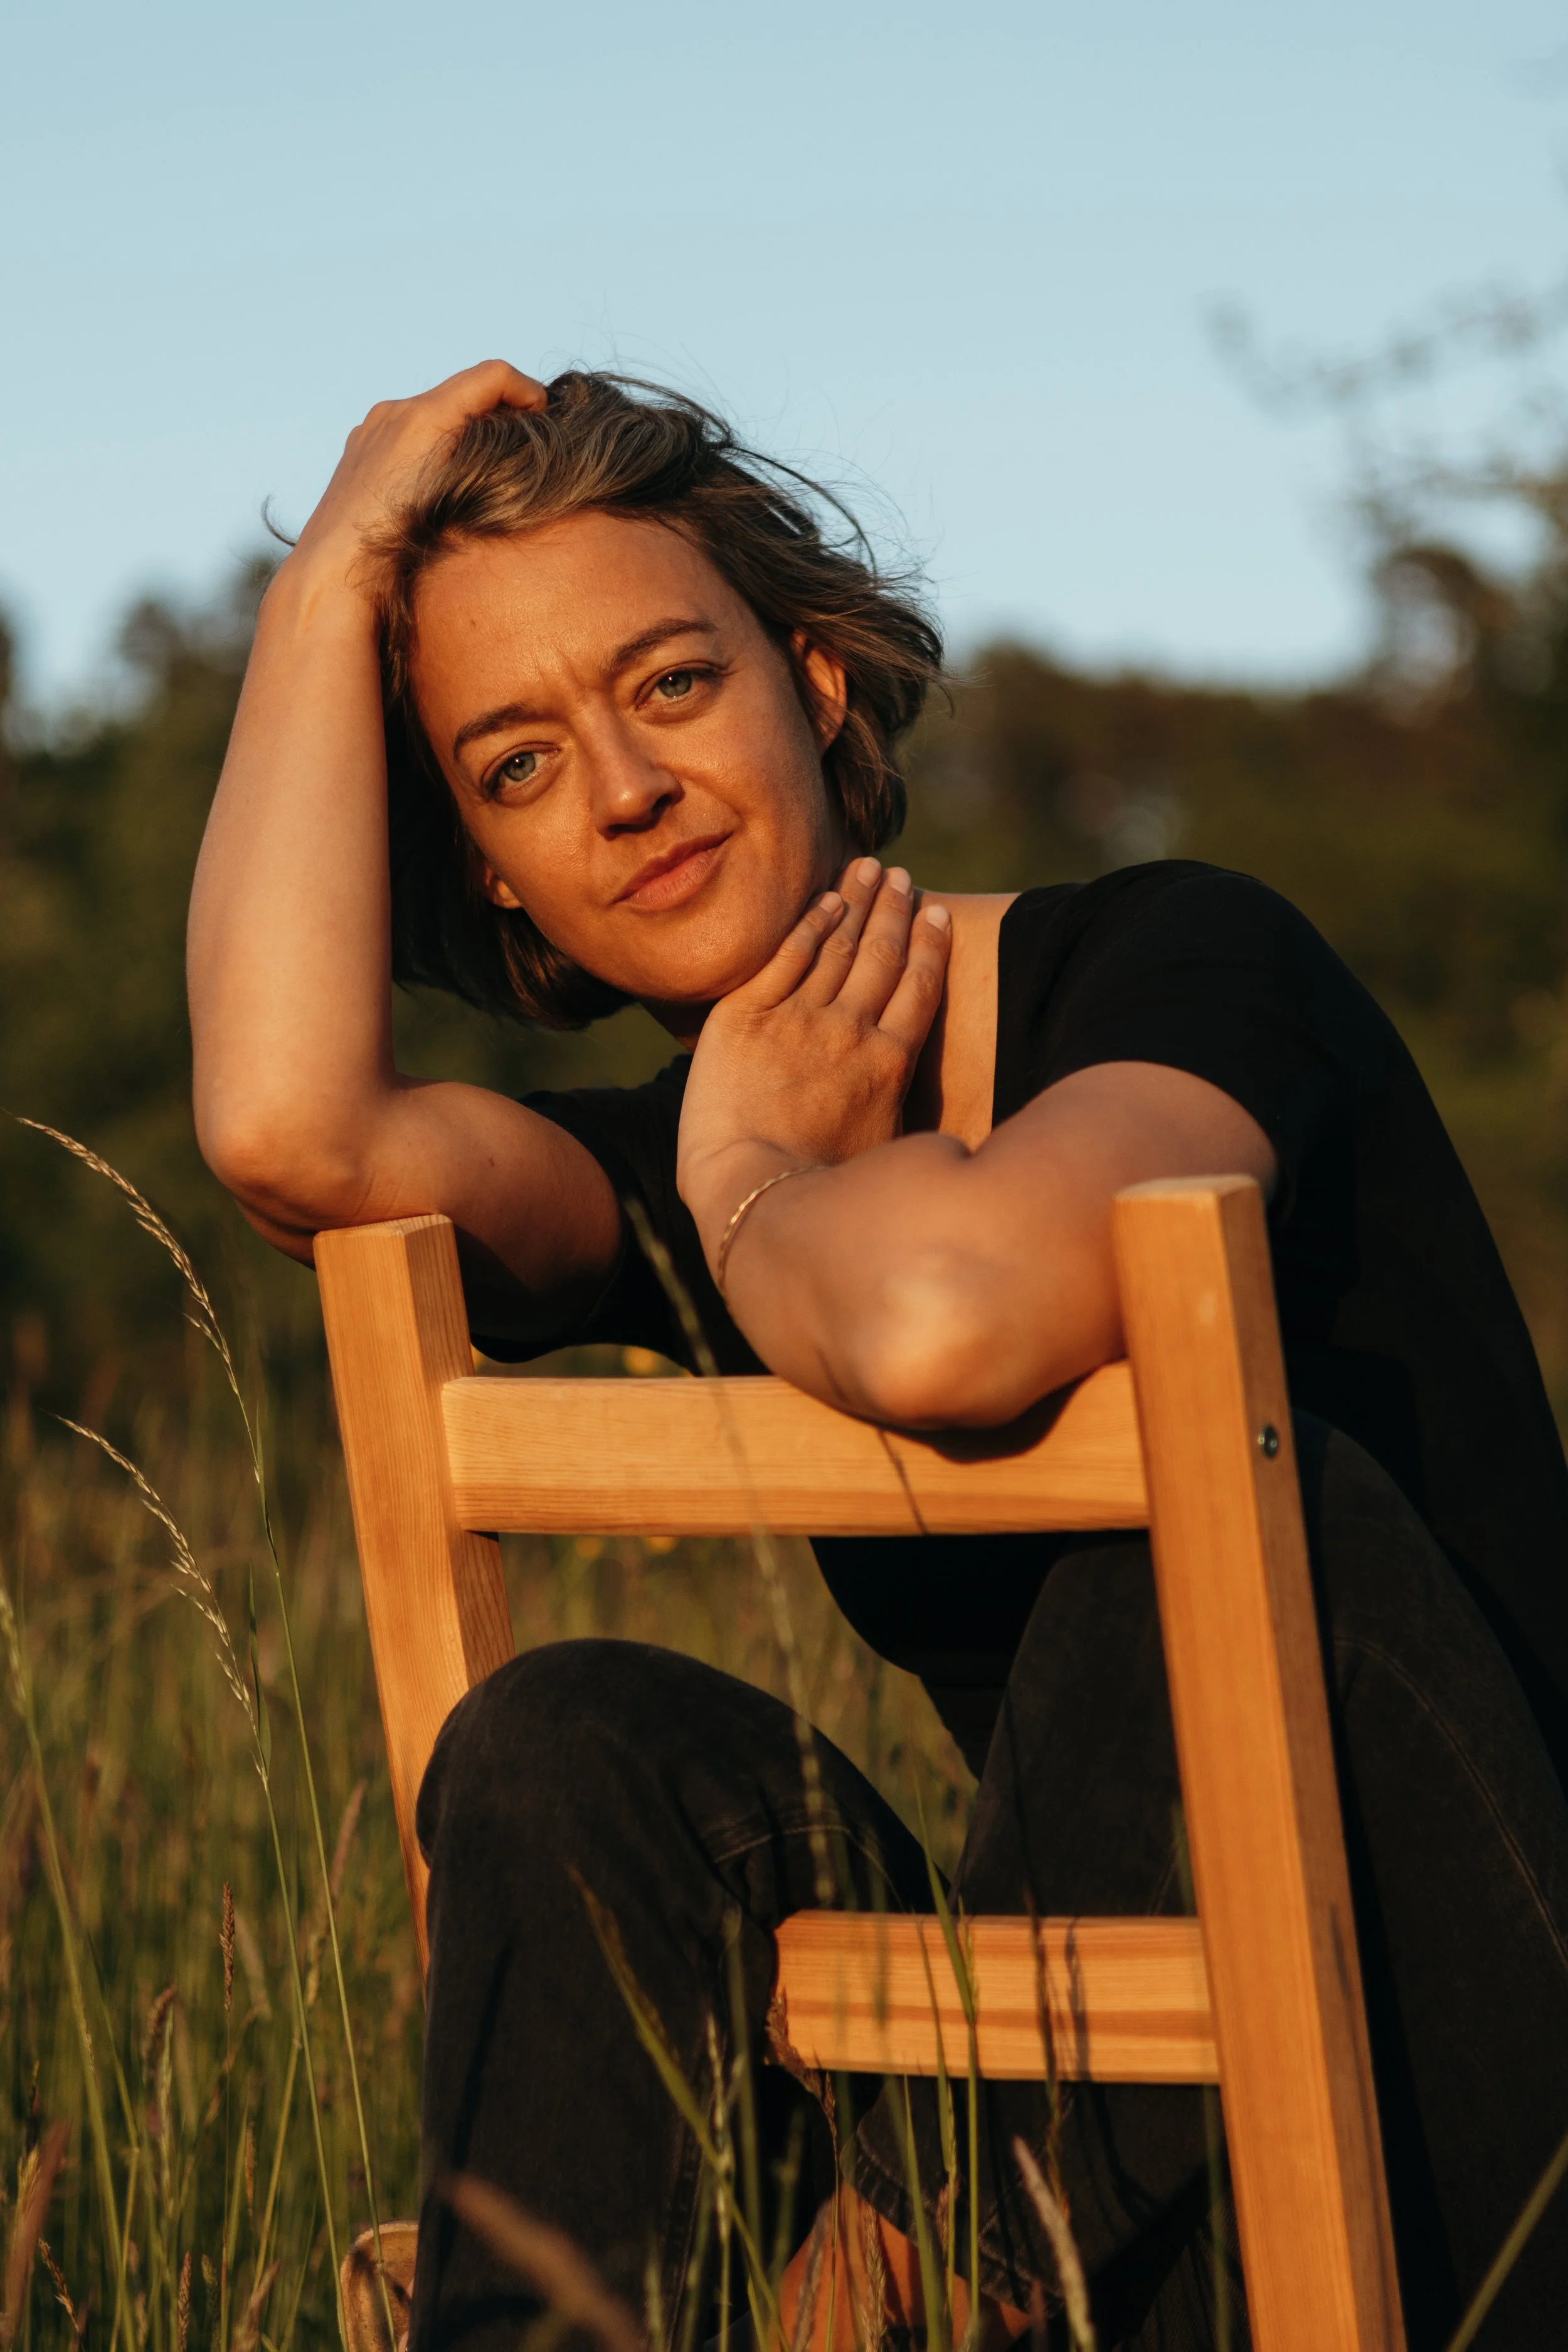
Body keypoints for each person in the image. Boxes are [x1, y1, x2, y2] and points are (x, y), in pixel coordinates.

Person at [188, 362, 1568, 2351]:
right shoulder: (680, 1164)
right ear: (491, 865)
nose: (624, 790)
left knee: (1204, 1531)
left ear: (816, 684)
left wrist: (748, 1175)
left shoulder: (1181, 962)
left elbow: (947, 1316)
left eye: (672, 683)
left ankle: (902, 2291)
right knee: (567, 1740)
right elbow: (287, 1132)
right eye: (515, 765)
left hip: (1473, 2084)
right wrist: (327, 575)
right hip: (1139, 2137)